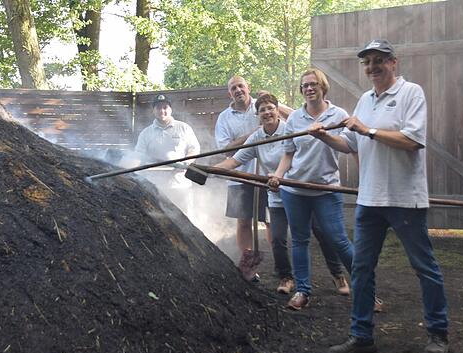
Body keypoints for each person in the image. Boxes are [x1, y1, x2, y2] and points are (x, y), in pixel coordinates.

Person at [312, 39, 449, 353]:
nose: (372, 67)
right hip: (370, 200)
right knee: (361, 268)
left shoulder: (410, 93)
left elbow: (413, 140)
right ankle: (361, 335)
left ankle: (438, 334)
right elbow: (350, 145)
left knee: (424, 267)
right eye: (367, 62)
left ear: (393, 63)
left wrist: (368, 130)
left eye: (378, 60)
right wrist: (325, 137)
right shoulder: (365, 100)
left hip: (404, 200)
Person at [268, 68, 356, 311]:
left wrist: (324, 136)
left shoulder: (338, 115)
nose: (309, 88)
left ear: (323, 87)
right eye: (305, 85)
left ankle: (366, 288)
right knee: (299, 240)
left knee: (338, 240)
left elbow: (348, 146)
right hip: (295, 191)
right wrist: (278, 176)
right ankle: (303, 291)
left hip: (326, 189)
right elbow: (288, 152)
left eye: (313, 84)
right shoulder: (295, 118)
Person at [214, 93, 294, 293]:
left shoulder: (289, 130)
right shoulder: (256, 137)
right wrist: (212, 170)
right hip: (274, 191)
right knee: (277, 236)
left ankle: (335, 276)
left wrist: (280, 175)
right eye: (262, 110)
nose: (267, 113)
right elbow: (234, 159)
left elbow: (295, 157)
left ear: (277, 110)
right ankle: (286, 277)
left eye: (270, 108)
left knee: (305, 234)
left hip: (293, 189)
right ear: (257, 115)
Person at [135, 94, 200, 214]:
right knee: (159, 223)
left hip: (180, 185)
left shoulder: (184, 128)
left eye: (165, 107)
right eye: (158, 107)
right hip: (154, 188)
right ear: (153, 110)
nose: (162, 110)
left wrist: (186, 162)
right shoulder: (145, 133)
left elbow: (194, 149)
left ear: (170, 109)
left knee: (186, 222)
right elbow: (138, 156)